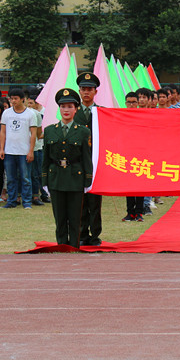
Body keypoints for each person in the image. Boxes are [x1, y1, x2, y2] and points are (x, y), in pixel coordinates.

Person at [42, 88, 92, 247]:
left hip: (75, 178)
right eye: (63, 106)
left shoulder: (83, 131)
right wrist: (44, 180)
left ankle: (74, 246)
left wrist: (88, 179)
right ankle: (62, 245)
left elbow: (86, 158)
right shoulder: (49, 131)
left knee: (75, 216)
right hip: (56, 177)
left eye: (70, 106)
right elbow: (45, 158)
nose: (66, 110)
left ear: (76, 109)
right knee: (60, 217)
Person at [74, 72, 103, 246]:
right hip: (77, 162)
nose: (86, 92)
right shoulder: (72, 111)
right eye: (83, 89)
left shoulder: (102, 112)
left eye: (89, 89)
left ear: (95, 92)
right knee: (80, 201)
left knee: (95, 202)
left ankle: (95, 235)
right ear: (79, 91)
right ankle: (82, 234)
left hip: (95, 163)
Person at [0, 88, 37, 210]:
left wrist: (31, 151)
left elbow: (33, 134)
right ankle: (12, 200)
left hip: (24, 151)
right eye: (11, 99)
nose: (13, 101)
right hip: (9, 151)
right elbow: (3, 132)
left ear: (22, 99)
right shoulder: (6, 113)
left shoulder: (30, 114)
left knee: (25, 178)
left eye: (16, 99)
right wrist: (2, 149)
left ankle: (27, 201)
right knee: (10, 178)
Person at [122, 92, 145, 222]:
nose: (131, 105)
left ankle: (139, 212)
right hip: (127, 155)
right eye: (129, 102)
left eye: (134, 102)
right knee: (128, 185)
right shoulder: (122, 116)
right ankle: (130, 212)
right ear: (125, 103)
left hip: (141, 155)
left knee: (140, 185)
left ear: (138, 103)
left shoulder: (143, 116)